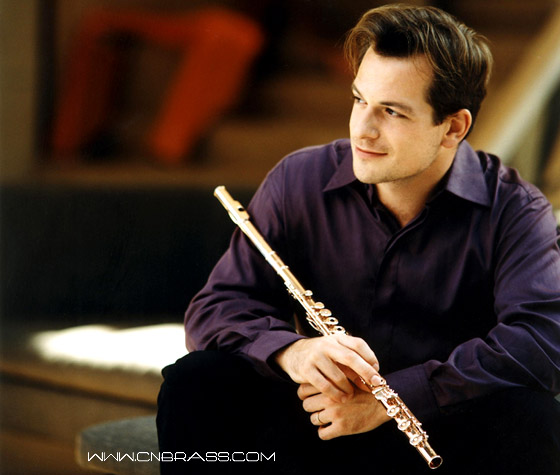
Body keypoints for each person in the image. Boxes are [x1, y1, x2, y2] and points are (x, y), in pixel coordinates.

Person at [157, 4, 560, 474]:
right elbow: (216, 307)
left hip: (436, 432)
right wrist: (292, 351)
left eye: (391, 111)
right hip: (320, 417)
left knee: (534, 420)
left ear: (453, 127)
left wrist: (398, 398)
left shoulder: (516, 210)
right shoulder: (299, 179)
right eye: (359, 100)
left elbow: (541, 340)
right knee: (196, 381)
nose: (362, 130)